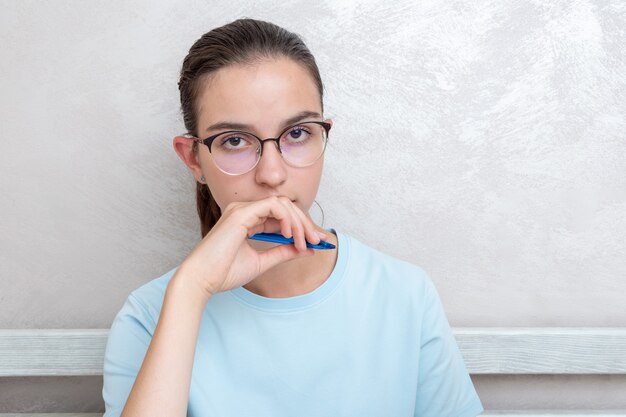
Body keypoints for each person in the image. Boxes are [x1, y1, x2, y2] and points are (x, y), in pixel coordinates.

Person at [102, 18, 483, 417]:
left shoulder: (405, 294)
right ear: (193, 158)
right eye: (234, 141)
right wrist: (191, 289)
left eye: (298, 134)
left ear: (324, 136)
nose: (272, 175)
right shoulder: (148, 317)